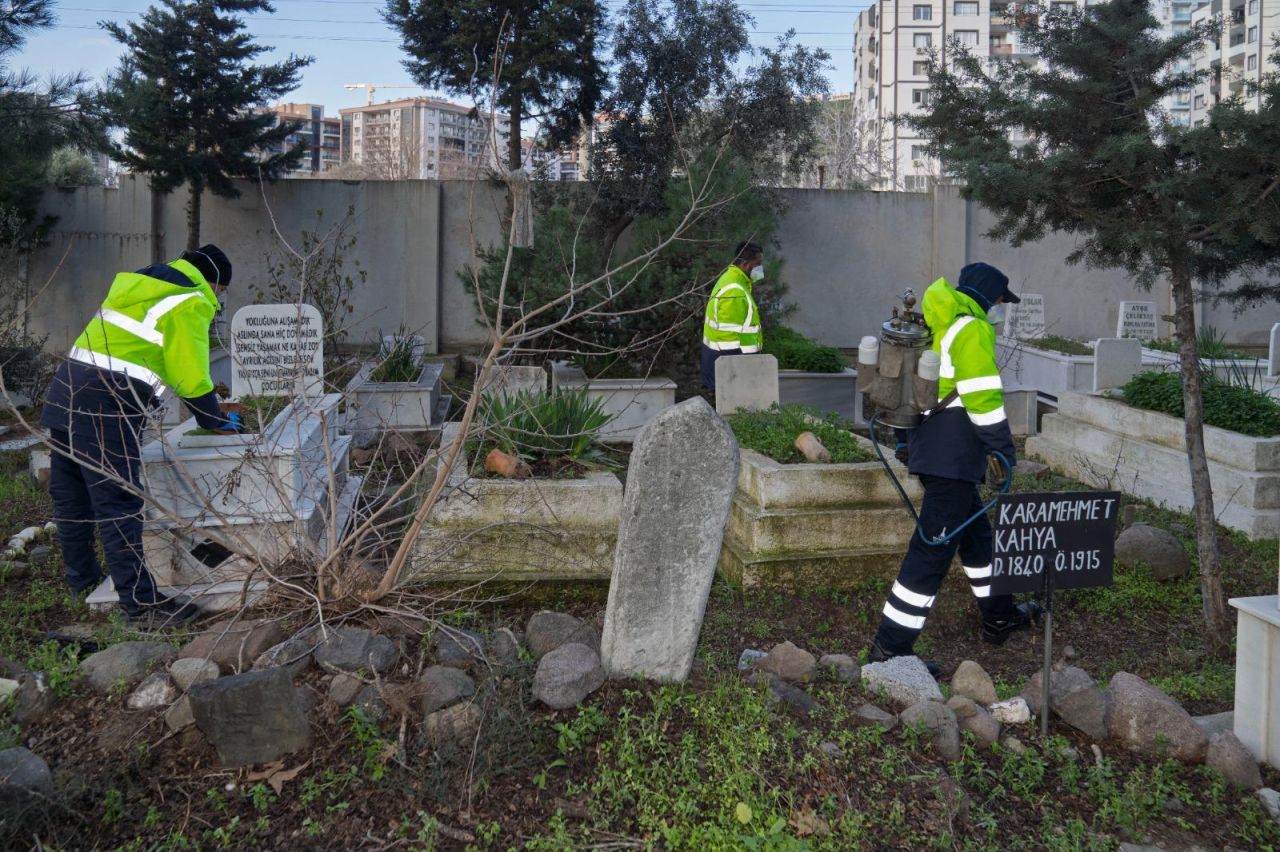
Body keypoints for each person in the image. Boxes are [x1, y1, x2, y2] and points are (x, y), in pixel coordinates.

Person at [40, 245, 243, 627]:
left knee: (74, 500)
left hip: (65, 391)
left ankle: (82, 583)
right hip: (107, 404)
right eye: (221, 291)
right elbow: (189, 374)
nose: (219, 299)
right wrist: (213, 419)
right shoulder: (191, 300)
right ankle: (142, 606)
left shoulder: (140, 285)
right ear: (214, 283)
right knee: (119, 502)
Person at [869, 262, 1039, 665]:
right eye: (1000, 301)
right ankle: (889, 648)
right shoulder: (972, 327)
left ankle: (999, 617)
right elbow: (981, 397)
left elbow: (918, 386)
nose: (1000, 309)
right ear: (987, 298)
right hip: (955, 452)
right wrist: (1004, 450)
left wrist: (909, 439)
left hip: (932, 441)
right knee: (931, 551)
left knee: (977, 536)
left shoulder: (936, 321)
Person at [701, 241, 765, 391]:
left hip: (724, 370)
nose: (760, 268)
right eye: (758, 263)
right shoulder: (734, 291)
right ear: (745, 264)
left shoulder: (735, 282)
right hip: (728, 374)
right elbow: (728, 340)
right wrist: (739, 377)